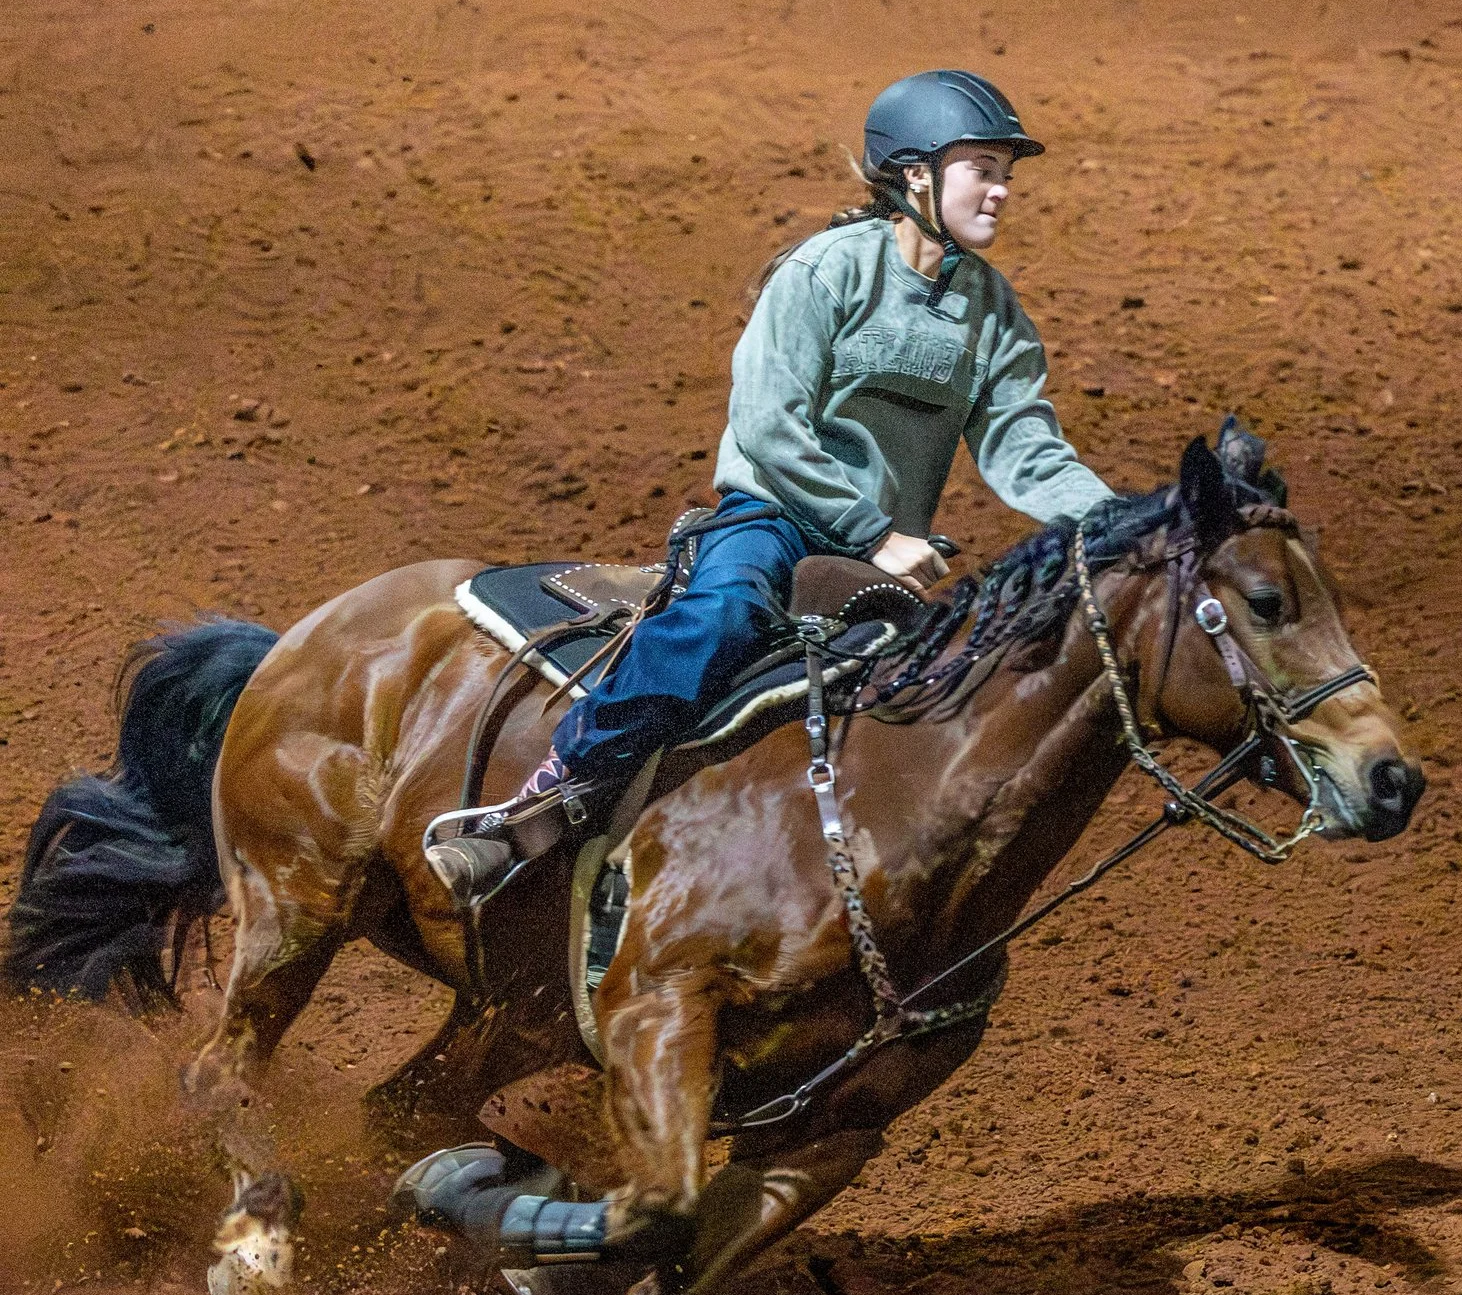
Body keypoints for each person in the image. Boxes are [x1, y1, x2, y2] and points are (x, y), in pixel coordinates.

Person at [438, 70, 1112, 894]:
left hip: (882, 557)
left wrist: (1134, 521)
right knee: (720, 616)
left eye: (1009, 173)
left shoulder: (992, 312)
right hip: (776, 518)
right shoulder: (825, 273)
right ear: (917, 175)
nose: (1003, 190)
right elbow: (766, 425)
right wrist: (872, 530)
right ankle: (552, 798)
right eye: (984, 168)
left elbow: (1028, 450)